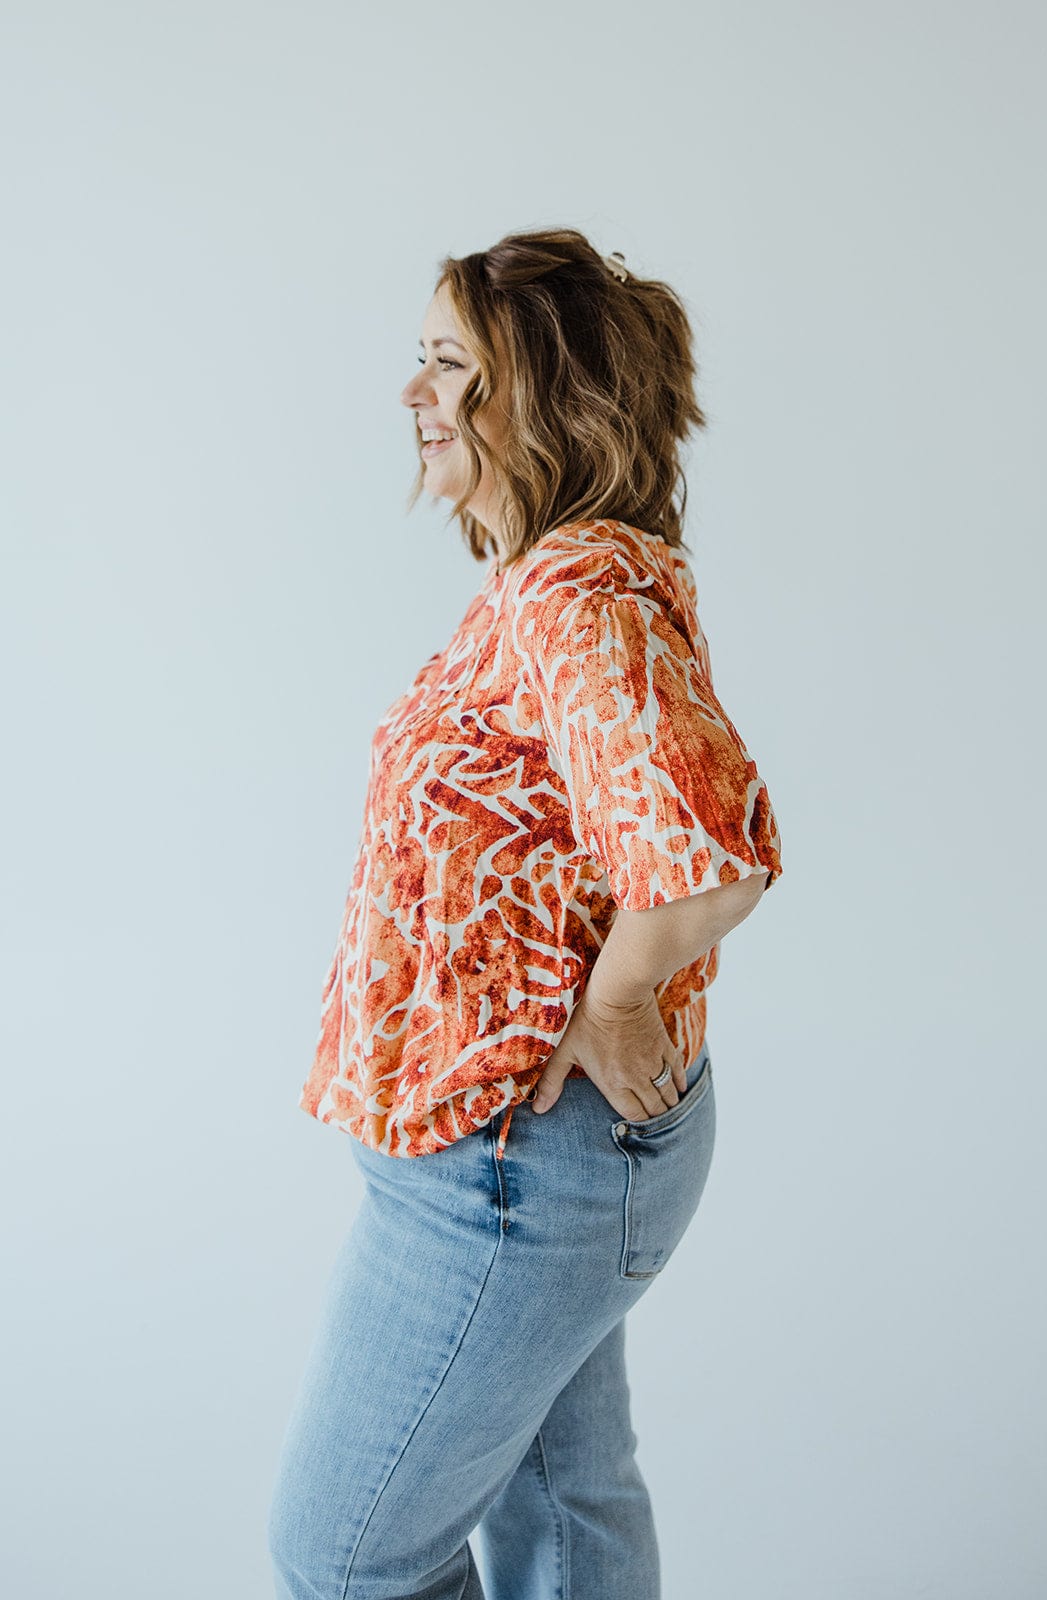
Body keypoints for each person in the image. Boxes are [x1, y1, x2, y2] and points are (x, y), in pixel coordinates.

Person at [268, 226, 784, 1600]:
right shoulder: (557, 583)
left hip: (512, 1169)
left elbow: (712, 855)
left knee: (343, 1556)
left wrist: (615, 998)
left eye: (449, 365)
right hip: (527, 1157)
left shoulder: (573, 594)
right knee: (565, 1512)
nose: (412, 396)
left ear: (541, 398)